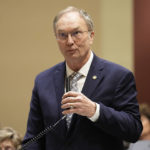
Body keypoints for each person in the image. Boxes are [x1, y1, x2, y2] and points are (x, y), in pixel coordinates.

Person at [23, 6, 143, 150]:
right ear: (56, 38)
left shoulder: (118, 76)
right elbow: (33, 138)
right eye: (62, 35)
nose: (69, 41)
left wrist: (95, 110)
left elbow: (134, 130)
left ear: (91, 35)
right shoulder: (43, 80)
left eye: (76, 33)